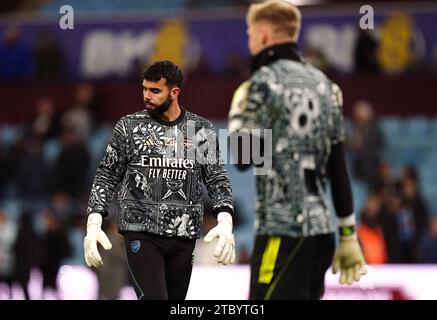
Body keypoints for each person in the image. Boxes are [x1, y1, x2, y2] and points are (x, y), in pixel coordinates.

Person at [228, 0, 366, 300]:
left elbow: (243, 159)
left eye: (250, 32)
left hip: (281, 232)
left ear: (264, 35)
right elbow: (338, 167)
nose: (249, 40)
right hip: (321, 234)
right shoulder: (326, 86)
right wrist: (348, 235)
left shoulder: (262, 83)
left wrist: (239, 116)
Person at [83, 60, 236, 300]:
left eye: (155, 91)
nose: (147, 96)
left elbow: (216, 178)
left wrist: (225, 219)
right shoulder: (128, 127)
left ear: (174, 92)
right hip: (141, 233)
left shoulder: (200, 130)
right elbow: (106, 174)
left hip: (184, 236)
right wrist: (94, 221)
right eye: (144, 89)